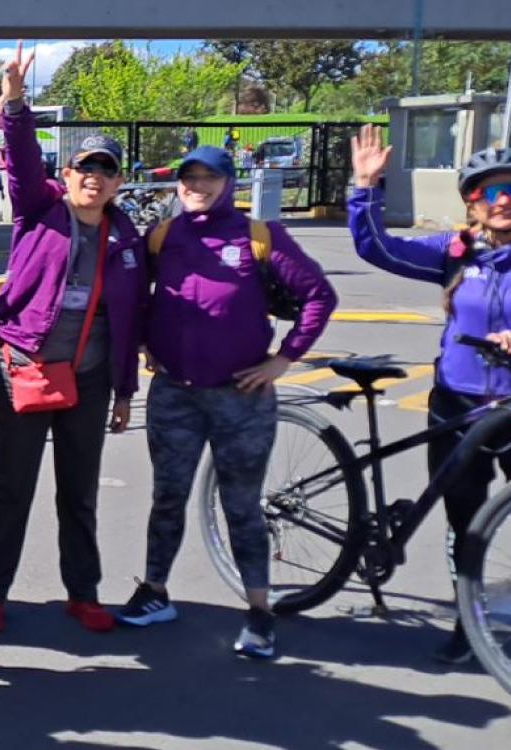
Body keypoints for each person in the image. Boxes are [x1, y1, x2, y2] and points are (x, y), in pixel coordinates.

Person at [346, 126, 511, 669]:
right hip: (459, 407)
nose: (503, 201)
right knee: (466, 524)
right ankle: (469, 621)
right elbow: (378, 247)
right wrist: (366, 189)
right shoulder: (454, 253)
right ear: (470, 202)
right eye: (488, 192)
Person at [115, 146, 337, 660]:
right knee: (167, 497)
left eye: (208, 178)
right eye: (188, 178)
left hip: (242, 397)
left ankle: (260, 612)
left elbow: (319, 295)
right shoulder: (164, 236)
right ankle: (155, 592)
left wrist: (284, 359)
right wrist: (147, 341)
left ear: (230, 183)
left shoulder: (259, 236)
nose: (197, 186)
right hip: (175, 395)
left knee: (241, 506)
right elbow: (138, 295)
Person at [0, 45, 150, 636]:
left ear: (119, 182)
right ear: (66, 175)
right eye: (84, 168)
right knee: (10, 488)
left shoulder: (126, 239)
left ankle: (83, 592)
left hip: (89, 380)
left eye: (105, 170)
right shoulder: (40, 209)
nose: (93, 177)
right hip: (26, 366)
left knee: (79, 491)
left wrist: (123, 393)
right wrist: (13, 101)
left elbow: (130, 322)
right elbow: (17, 157)